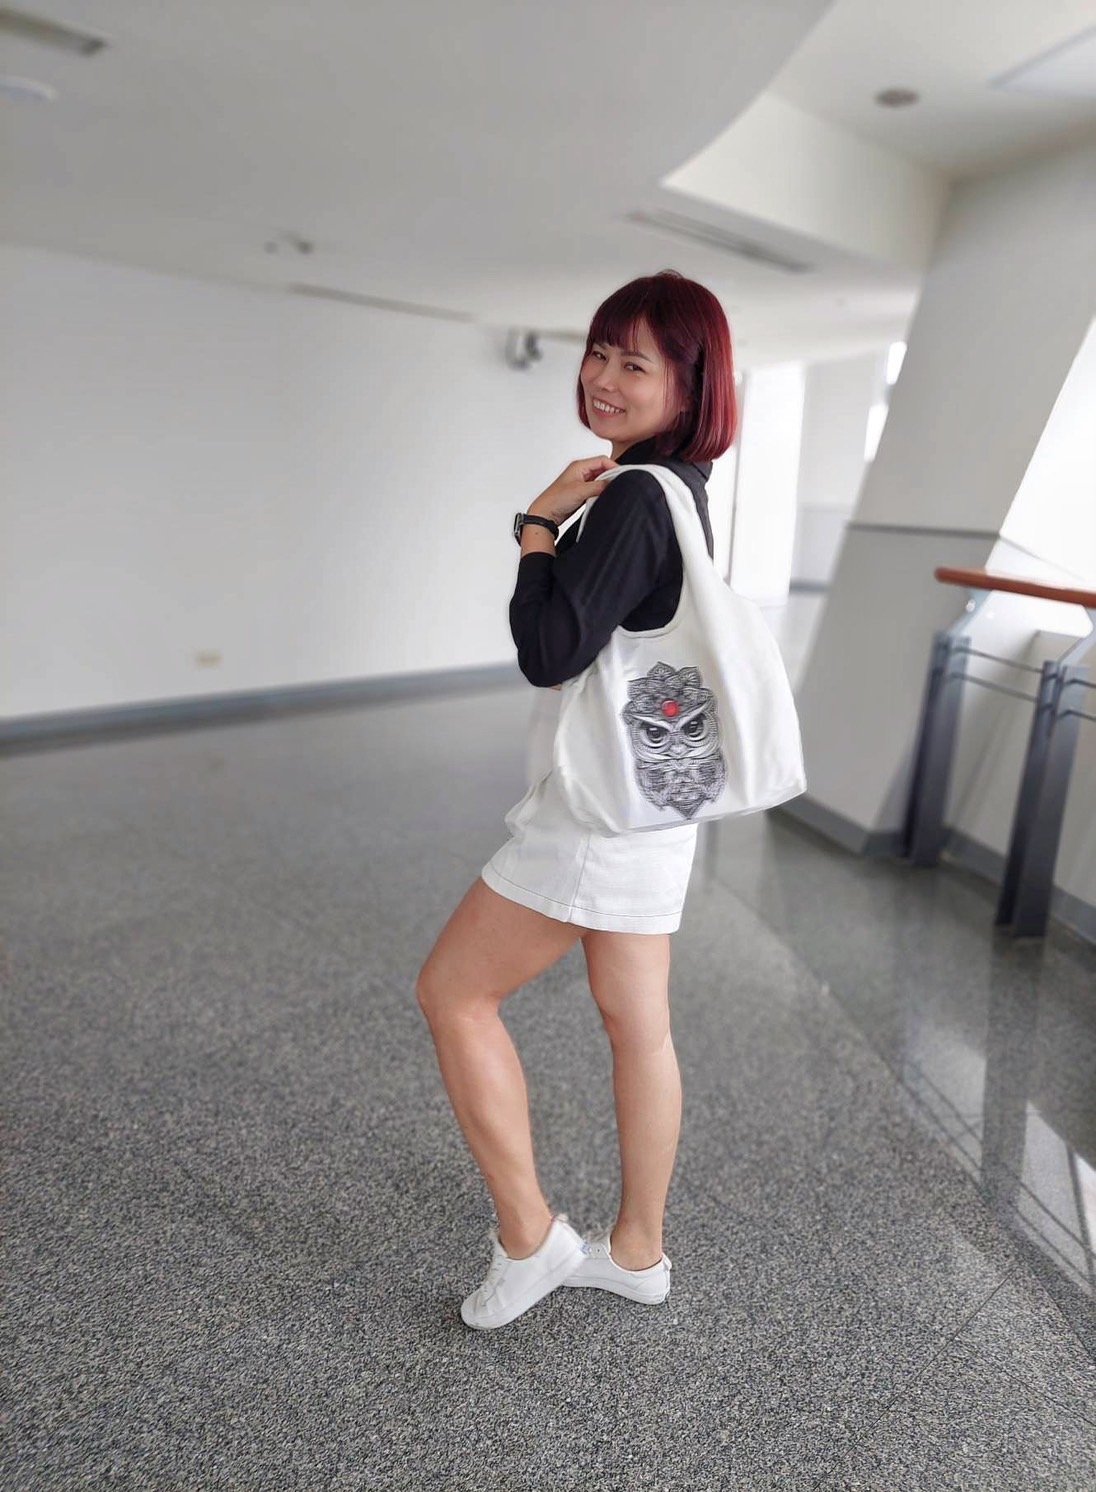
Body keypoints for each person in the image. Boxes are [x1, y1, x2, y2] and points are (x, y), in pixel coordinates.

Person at [415, 269, 738, 1330]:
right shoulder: (683, 487)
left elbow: (551, 651)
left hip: (598, 812)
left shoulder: (635, 495)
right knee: (638, 1025)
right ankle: (637, 1251)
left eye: (633, 363)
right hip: (657, 797)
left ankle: (531, 1237)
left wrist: (537, 527)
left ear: (689, 386)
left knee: (453, 994)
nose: (602, 377)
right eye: (598, 352)